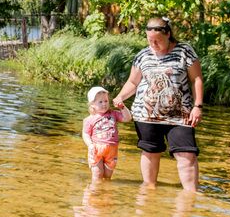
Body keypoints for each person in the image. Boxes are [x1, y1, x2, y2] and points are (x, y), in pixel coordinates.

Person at [112, 16, 204, 191]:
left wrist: (197, 106)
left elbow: (196, 79)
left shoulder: (185, 51)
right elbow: (133, 82)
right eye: (149, 40)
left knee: (187, 154)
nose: (153, 44)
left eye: (157, 41)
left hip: (180, 115)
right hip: (146, 115)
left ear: (168, 34)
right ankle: (149, 192)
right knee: (150, 152)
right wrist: (120, 97)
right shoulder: (142, 55)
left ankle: (191, 195)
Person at [82, 85, 132, 181]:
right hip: (96, 149)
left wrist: (122, 107)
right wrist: (90, 145)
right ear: (92, 104)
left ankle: (105, 194)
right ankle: (93, 194)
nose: (104, 104)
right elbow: (86, 134)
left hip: (112, 150)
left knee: (108, 177)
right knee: (97, 175)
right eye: (100, 102)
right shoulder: (89, 119)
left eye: (106, 101)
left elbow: (127, 118)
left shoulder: (113, 114)